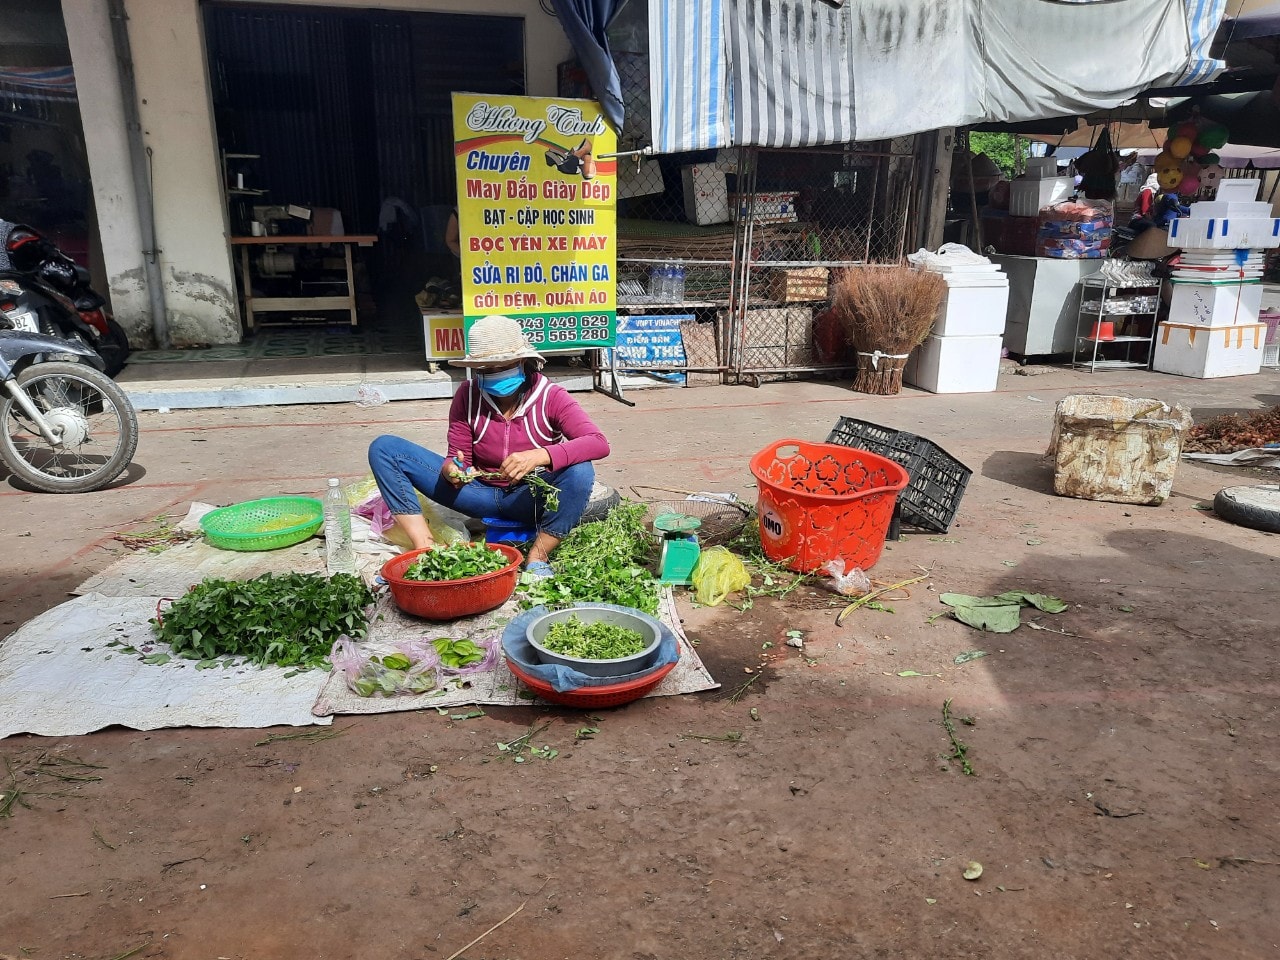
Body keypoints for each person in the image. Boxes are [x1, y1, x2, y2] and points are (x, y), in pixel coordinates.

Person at [368, 314, 610, 577]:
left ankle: (538, 556)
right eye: (485, 369)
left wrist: (540, 456)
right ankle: (425, 546)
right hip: (478, 494)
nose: (493, 375)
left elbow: (597, 443)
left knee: (580, 471)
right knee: (385, 449)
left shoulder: (551, 397)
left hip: (529, 499)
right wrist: (454, 470)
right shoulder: (467, 395)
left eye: (501, 367)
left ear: (523, 362)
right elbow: (456, 457)